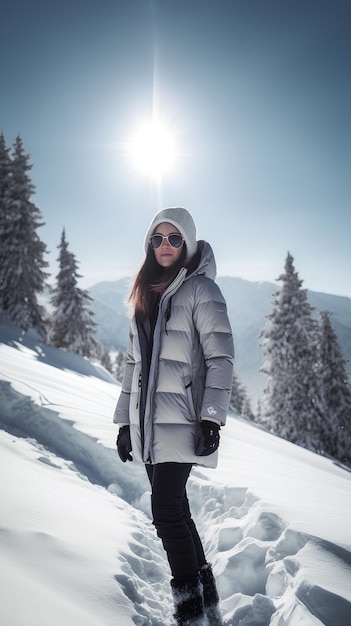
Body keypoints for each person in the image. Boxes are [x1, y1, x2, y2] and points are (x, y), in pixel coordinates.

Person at [114, 207, 234, 626]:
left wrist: (211, 419)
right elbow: (133, 366)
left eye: (174, 238)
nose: (165, 246)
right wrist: (125, 424)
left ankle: (189, 615)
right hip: (148, 425)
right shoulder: (145, 292)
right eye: (158, 239)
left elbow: (220, 359)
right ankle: (207, 603)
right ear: (150, 244)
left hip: (183, 420)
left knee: (165, 511)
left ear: (189, 243)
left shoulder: (201, 290)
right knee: (176, 509)